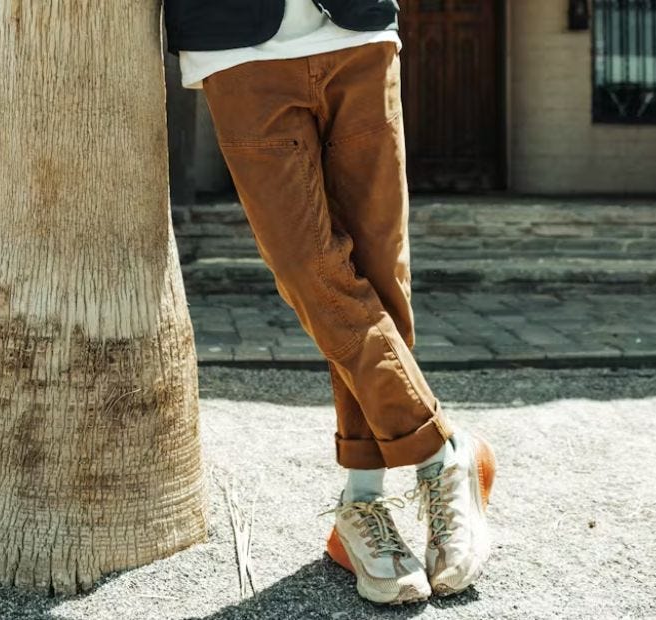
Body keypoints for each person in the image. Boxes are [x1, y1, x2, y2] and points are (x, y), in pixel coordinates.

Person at [164, 0, 496, 604]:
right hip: (238, 51)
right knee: (310, 273)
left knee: (378, 272)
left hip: (357, 30)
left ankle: (362, 505)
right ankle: (441, 452)